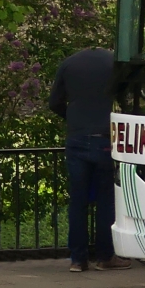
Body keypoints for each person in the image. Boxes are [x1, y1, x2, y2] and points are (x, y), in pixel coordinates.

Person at [49, 48, 130, 272]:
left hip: (76, 139)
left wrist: (73, 119)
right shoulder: (115, 63)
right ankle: (105, 256)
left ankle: (78, 259)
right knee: (105, 200)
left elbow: (54, 102)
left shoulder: (68, 64)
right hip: (104, 139)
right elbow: (127, 99)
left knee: (78, 201)